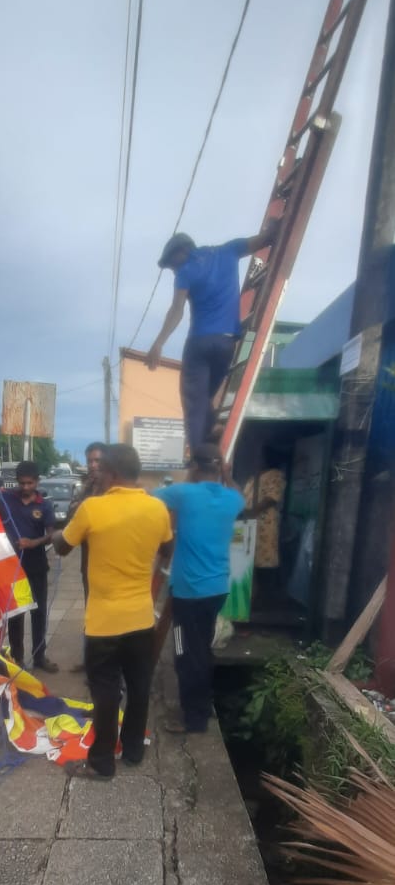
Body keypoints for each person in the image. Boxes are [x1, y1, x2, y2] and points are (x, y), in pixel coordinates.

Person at [54, 443, 173, 779]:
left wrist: (54, 533)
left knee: (105, 690)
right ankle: (133, 750)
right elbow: (168, 547)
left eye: (101, 469)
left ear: (114, 473)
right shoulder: (157, 509)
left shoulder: (93, 509)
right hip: (140, 619)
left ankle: (103, 762)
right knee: (138, 685)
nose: (98, 474)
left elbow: (63, 546)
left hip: (104, 622)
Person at [146, 225, 278, 451]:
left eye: (172, 265)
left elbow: (176, 310)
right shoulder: (228, 251)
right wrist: (274, 225)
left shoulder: (186, 271)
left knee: (193, 401)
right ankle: (210, 438)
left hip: (199, 343)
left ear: (182, 252)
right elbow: (265, 239)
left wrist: (158, 343)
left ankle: (199, 456)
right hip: (227, 344)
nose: (174, 270)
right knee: (205, 397)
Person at [154, 445, 244, 734]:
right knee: (202, 649)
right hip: (217, 588)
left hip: (188, 592)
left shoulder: (184, 493)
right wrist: (227, 476)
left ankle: (193, 719)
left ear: (193, 466)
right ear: (220, 468)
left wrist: (190, 476)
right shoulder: (231, 498)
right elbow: (239, 495)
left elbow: (152, 498)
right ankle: (204, 707)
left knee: (185, 654)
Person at [0, 461, 58, 674]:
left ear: (37, 482)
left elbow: (51, 534)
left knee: (38, 613)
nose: (26, 487)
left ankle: (40, 656)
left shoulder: (45, 505)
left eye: (30, 483)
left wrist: (33, 542)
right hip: (13, 567)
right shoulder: (7, 499)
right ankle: (18, 658)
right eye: (22, 483)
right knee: (16, 614)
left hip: (37, 565)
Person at [67, 441, 106, 674]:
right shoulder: (85, 488)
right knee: (90, 612)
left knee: (107, 617)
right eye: (90, 461)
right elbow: (72, 517)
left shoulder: (113, 489)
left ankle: (104, 665)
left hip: (110, 566)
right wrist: (85, 492)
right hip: (88, 565)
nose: (93, 465)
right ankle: (89, 660)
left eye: (98, 461)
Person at [243, 450, 287, 606]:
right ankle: (250, 600)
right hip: (247, 524)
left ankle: (264, 602)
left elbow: (271, 498)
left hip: (264, 525)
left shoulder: (275, 474)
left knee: (264, 564)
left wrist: (251, 512)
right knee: (248, 561)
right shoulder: (253, 477)